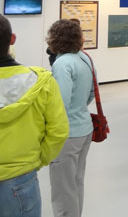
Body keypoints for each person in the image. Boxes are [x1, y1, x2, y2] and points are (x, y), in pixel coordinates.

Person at [0, 15, 69, 217]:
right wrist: (36, 161)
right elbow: (58, 131)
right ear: (12, 39)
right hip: (20, 178)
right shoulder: (42, 81)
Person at [47, 19, 95, 217]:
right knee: (76, 182)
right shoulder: (84, 58)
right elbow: (92, 93)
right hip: (84, 128)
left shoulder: (62, 63)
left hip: (67, 135)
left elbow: (60, 103)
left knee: (63, 190)